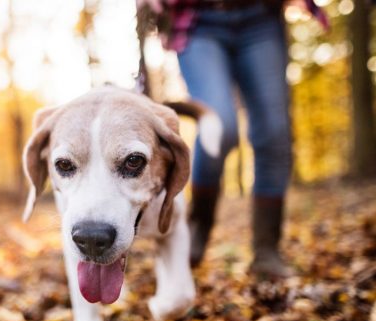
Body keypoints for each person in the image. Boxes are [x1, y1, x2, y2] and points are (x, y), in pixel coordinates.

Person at [136, 0, 327, 280]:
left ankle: (266, 251)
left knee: (275, 134)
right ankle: (198, 226)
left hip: (262, 17)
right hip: (198, 20)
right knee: (219, 125)